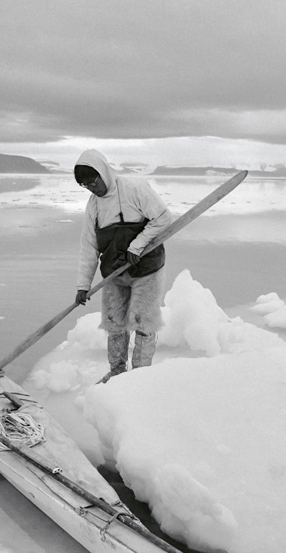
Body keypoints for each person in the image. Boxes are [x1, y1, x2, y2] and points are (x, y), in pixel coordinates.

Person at [74, 149, 173, 383]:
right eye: (85, 185)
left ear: (103, 172)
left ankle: (139, 377)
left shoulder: (134, 189)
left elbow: (163, 218)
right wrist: (82, 285)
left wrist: (137, 246)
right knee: (115, 322)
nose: (91, 188)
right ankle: (117, 371)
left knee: (142, 322)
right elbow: (89, 246)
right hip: (115, 274)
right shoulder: (94, 206)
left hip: (146, 270)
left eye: (93, 181)